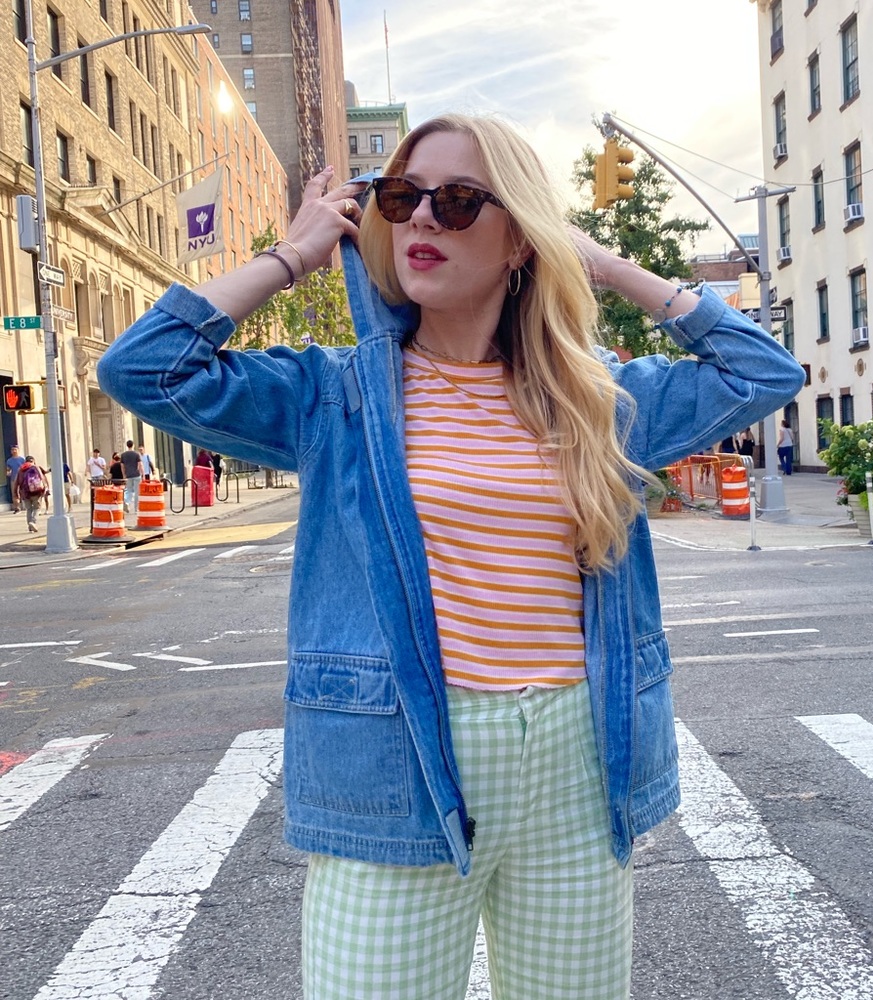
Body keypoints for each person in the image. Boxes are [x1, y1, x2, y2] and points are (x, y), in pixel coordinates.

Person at [97, 113, 804, 1000]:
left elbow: (764, 373)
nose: (423, 218)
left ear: (520, 240)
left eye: (462, 201)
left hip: (582, 760)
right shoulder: (334, 392)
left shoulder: (598, 397)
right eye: (403, 196)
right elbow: (143, 369)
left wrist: (603, 262)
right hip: (398, 764)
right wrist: (295, 255)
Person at [13, 455, 48, 533]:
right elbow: (42, 478)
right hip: (36, 492)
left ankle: (30, 526)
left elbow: (16, 483)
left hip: (25, 493)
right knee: (37, 508)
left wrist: (16, 493)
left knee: (29, 509)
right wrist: (45, 488)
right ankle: (33, 522)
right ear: (33, 461)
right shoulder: (35, 467)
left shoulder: (20, 469)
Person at [120, 439, 143, 512]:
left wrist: (124, 475)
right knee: (137, 492)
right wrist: (143, 474)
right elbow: (140, 465)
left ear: (127, 446)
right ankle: (136, 509)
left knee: (128, 490)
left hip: (128, 475)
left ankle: (127, 502)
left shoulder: (123, 455)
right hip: (136, 474)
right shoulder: (136, 454)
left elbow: (122, 466)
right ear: (133, 445)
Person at [6, 446, 26, 513]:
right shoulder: (9, 460)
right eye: (12, 450)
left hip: (22, 479)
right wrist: (8, 472)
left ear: (18, 450)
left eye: (15, 449)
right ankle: (17, 508)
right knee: (15, 493)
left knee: (23, 492)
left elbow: (25, 468)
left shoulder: (22, 459)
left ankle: (25, 505)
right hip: (13, 479)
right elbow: (8, 469)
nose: (14, 451)